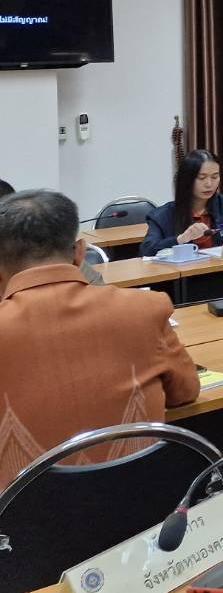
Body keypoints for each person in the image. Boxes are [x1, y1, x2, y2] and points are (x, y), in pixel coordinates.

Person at [0, 190, 199, 485]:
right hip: (144, 505)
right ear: (80, 252)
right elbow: (185, 393)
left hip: (26, 521)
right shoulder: (144, 308)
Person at [141, 149, 223, 257]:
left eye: (215, 177)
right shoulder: (162, 216)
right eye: (201, 178)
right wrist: (180, 239)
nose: (209, 184)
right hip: (186, 277)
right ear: (186, 180)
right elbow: (146, 250)